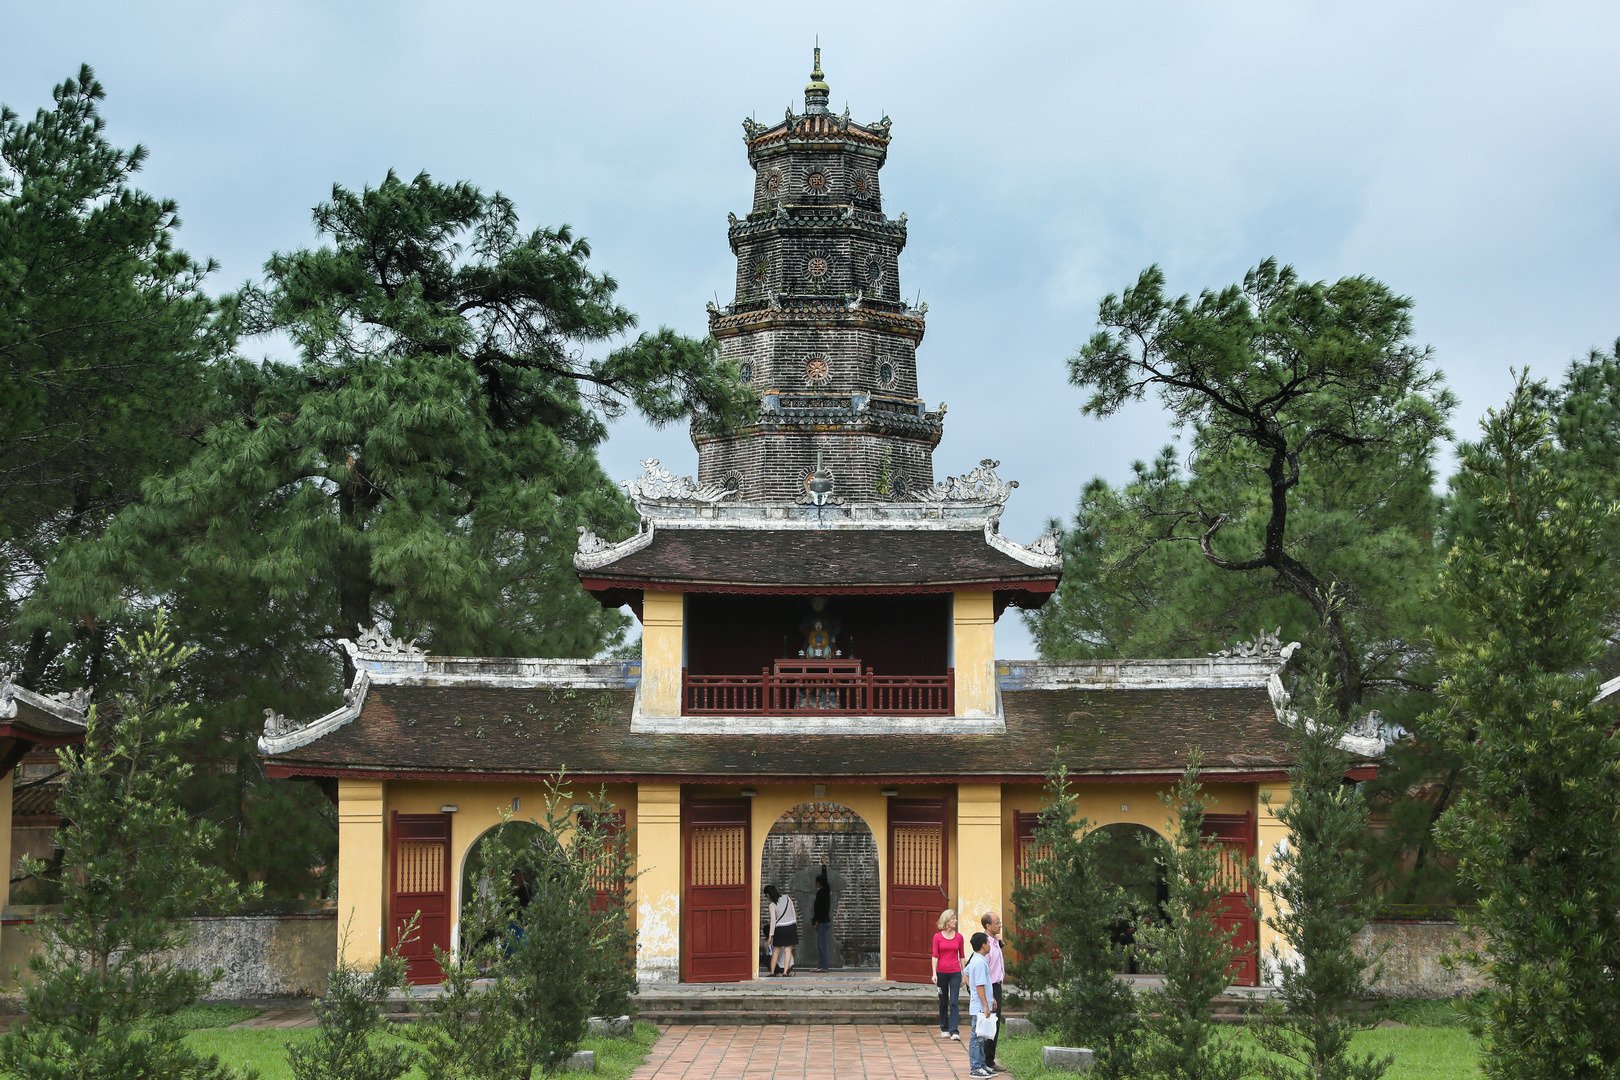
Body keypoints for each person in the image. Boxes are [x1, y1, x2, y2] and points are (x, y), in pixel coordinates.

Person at [964, 931, 996, 1079]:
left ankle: (982, 1065)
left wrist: (991, 998)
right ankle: (975, 1067)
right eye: (988, 943)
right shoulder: (980, 962)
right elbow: (980, 986)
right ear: (983, 945)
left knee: (982, 1036)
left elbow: (966, 974)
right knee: (977, 1038)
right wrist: (985, 1004)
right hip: (980, 1007)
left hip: (981, 1004)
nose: (990, 945)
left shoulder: (976, 959)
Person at [931, 908, 967, 1039]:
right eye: (953, 919)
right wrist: (934, 973)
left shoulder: (959, 937)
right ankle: (944, 1028)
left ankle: (954, 1030)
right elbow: (935, 956)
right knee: (943, 1001)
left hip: (955, 972)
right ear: (947, 920)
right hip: (941, 972)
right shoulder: (937, 937)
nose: (955, 921)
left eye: (956, 918)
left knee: (954, 1001)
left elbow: (962, 956)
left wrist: (964, 973)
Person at [980, 911, 1006, 1073]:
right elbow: (985, 972)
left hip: (998, 985)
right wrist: (990, 996)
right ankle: (984, 1061)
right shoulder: (985, 945)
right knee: (988, 1024)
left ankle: (990, 1059)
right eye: (997, 923)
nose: (1000, 925)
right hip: (991, 986)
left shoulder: (996, 941)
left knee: (995, 1025)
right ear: (988, 926)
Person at [764, 884, 798, 976]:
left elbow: (773, 921)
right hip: (791, 926)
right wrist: (793, 923)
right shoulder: (787, 898)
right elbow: (793, 913)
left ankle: (772, 972)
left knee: (776, 951)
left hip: (780, 928)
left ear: (768, 895)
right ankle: (785, 972)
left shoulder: (772, 905)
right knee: (788, 951)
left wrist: (770, 935)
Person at [812, 871, 833, 972]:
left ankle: (824, 967)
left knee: (822, 946)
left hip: (822, 922)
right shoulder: (826, 891)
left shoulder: (822, 893)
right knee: (820, 946)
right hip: (824, 921)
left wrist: (815, 922)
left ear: (819, 883)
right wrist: (824, 865)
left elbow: (818, 910)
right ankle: (821, 966)